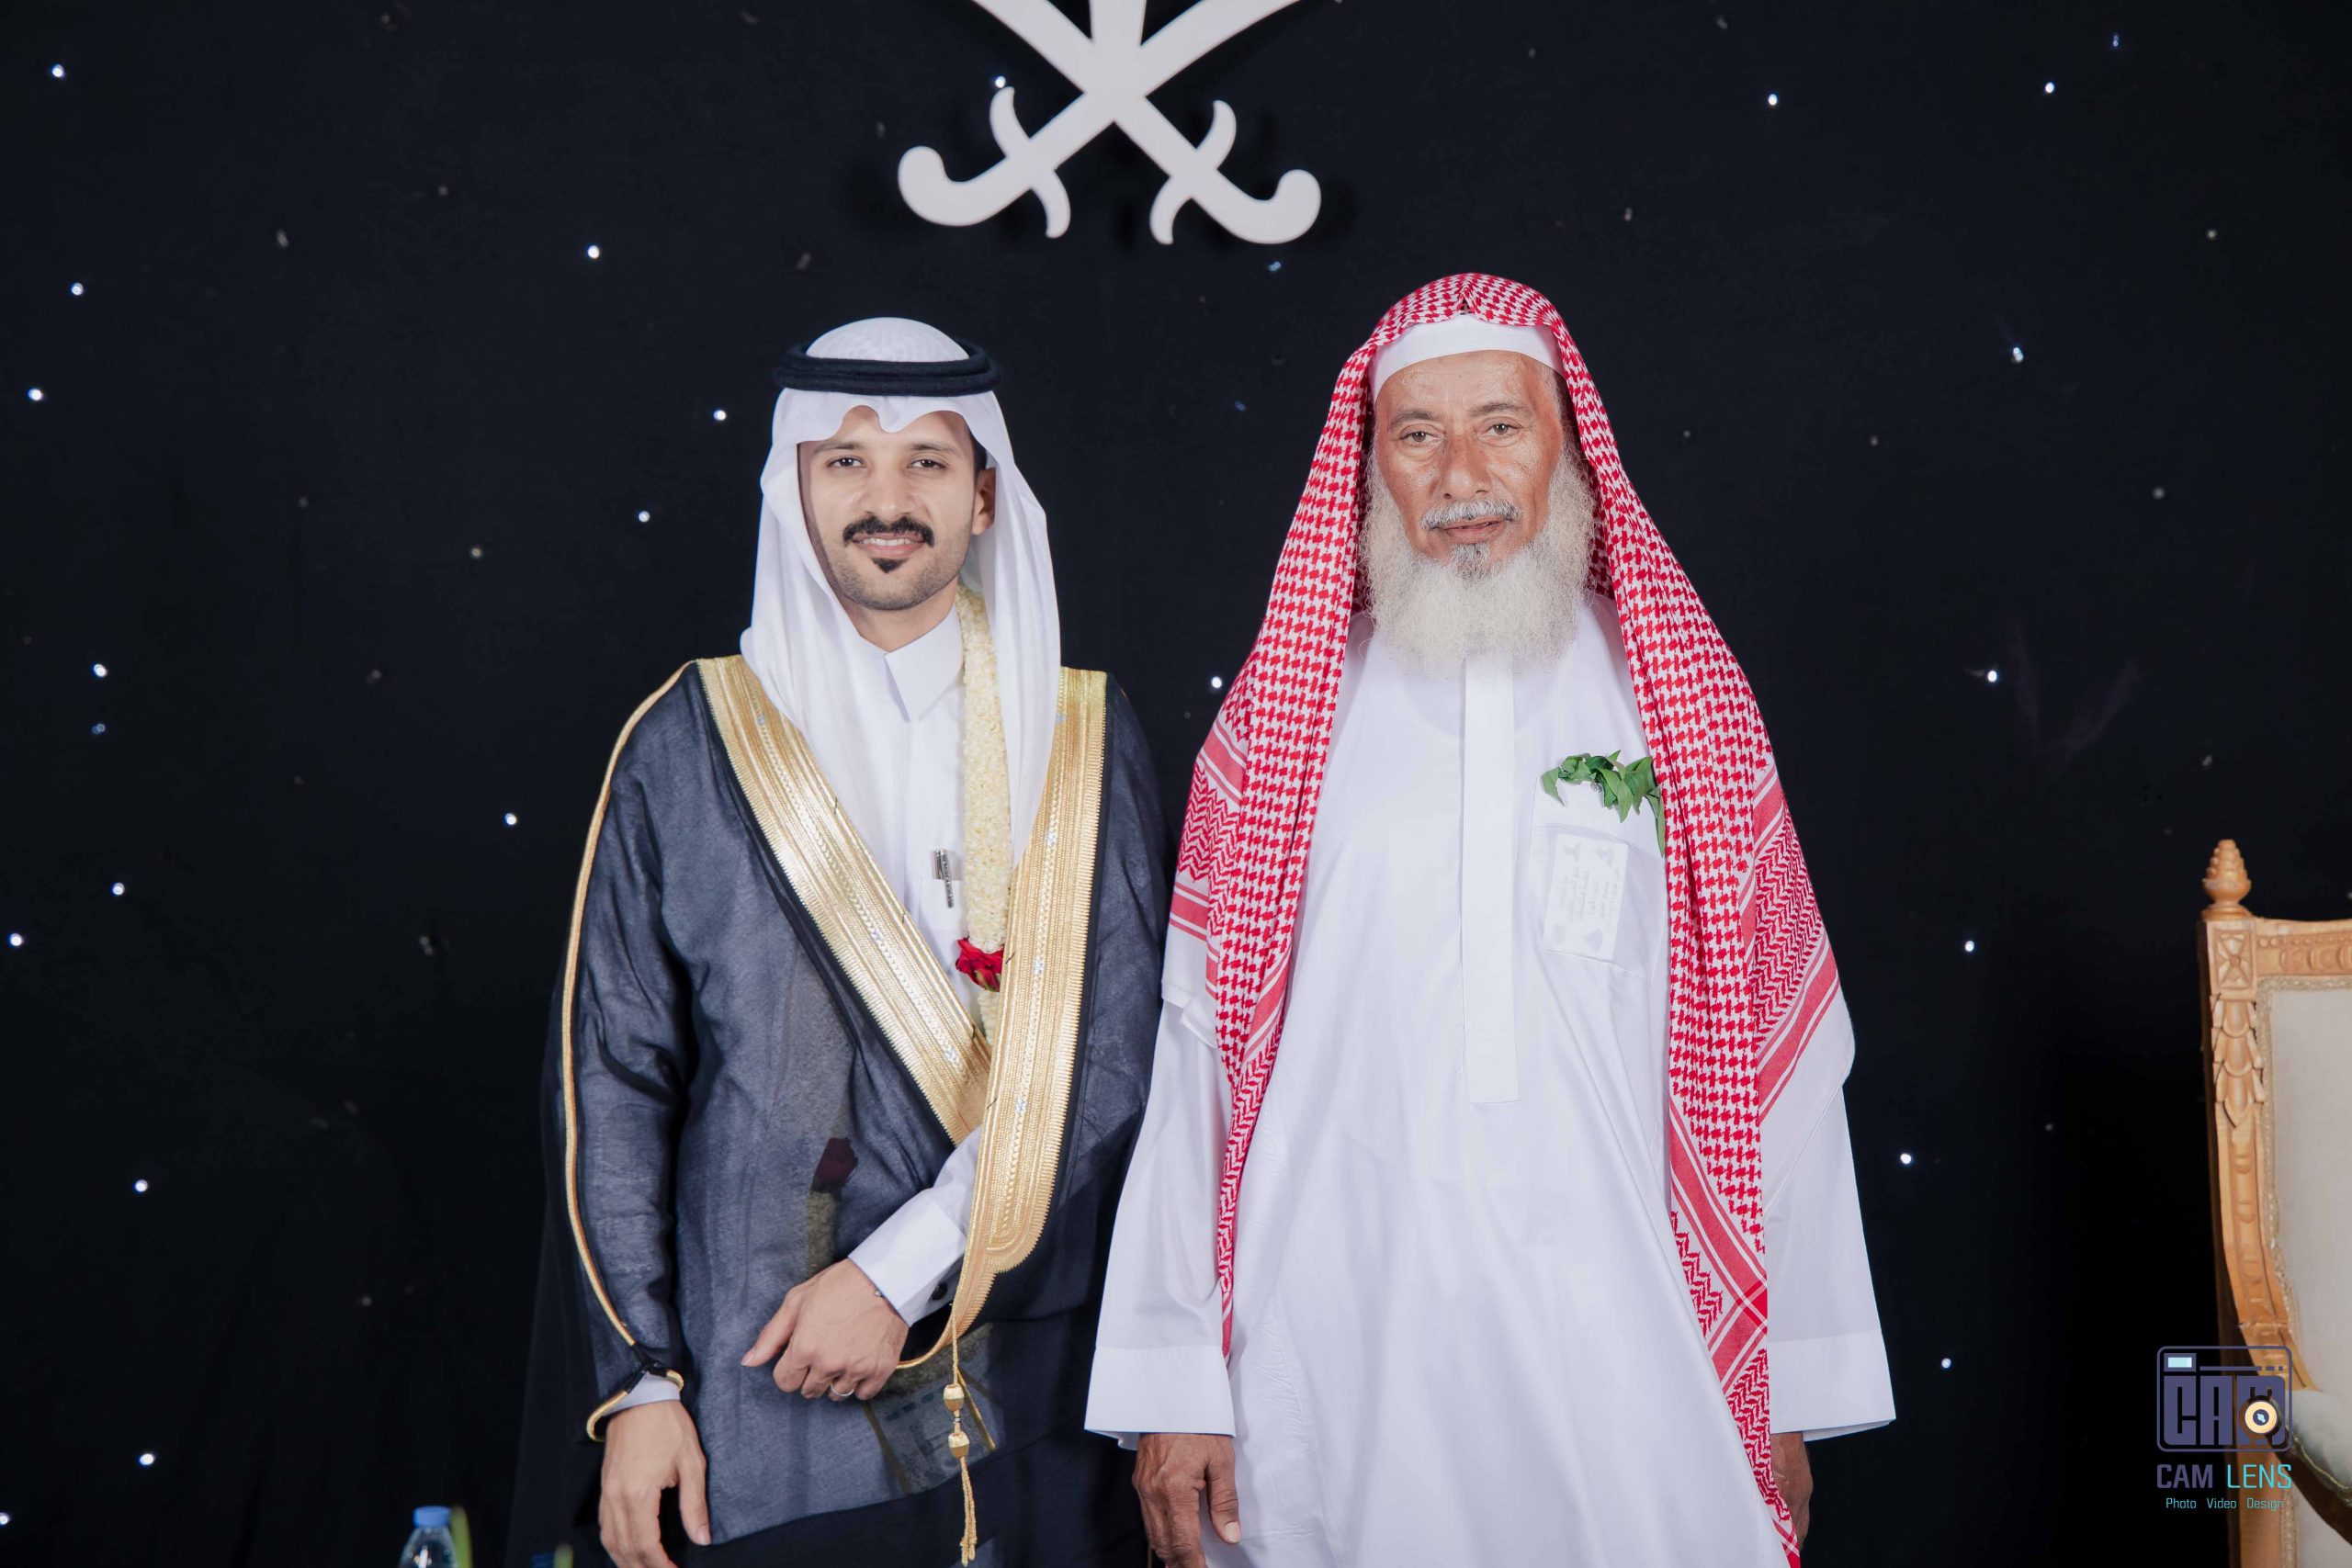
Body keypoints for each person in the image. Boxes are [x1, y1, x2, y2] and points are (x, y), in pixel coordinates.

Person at [1085, 274, 1894, 1566]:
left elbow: (1778, 1067)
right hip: (1331, 1342)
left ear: (1568, 448)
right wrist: (1171, 1379)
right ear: (1372, 472)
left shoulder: (1680, 711)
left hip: (1633, 1353)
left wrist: (1792, 1376)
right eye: (1417, 435)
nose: (1461, 474)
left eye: (1500, 426)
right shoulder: (1280, 731)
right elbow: (1198, 1063)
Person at [509, 318, 1165, 1568]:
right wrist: (641, 1387)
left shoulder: (1083, 735)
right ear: (794, 490)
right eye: (846, 461)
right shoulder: (685, 742)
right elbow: (612, 1081)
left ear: (985, 497)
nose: (887, 499)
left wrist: (898, 1271)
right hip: (759, 1389)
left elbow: (1114, 1061)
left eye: (928, 462)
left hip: (1025, 1377)